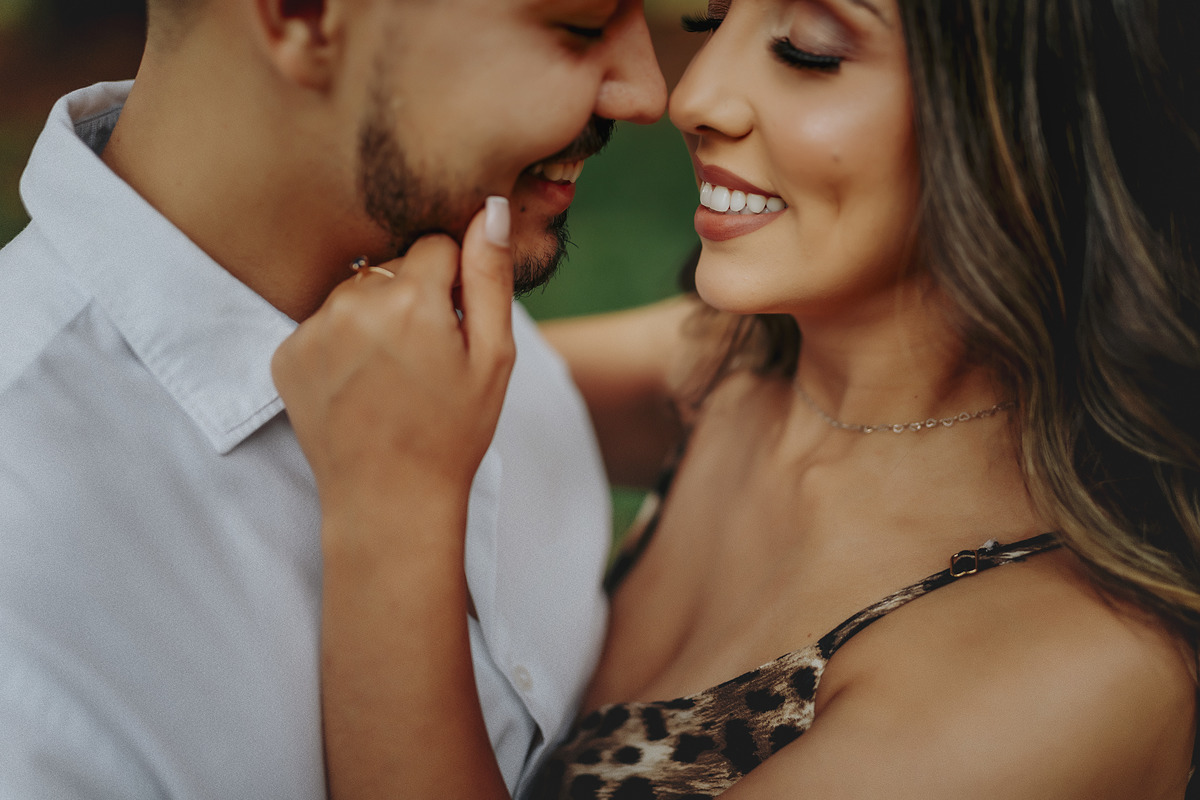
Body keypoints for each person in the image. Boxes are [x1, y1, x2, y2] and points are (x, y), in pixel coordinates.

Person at [273, 0, 1200, 797]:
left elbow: (390, 444)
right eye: (716, 17)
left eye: (807, 49)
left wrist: (394, 526)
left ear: (1036, 117)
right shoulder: (732, 371)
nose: (694, 95)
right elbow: (384, 381)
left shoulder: (1071, 673)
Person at [0, 0, 667, 796]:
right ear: (304, 15)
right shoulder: (31, 641)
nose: (647, 92)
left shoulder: (434, 256)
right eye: (582, 26)